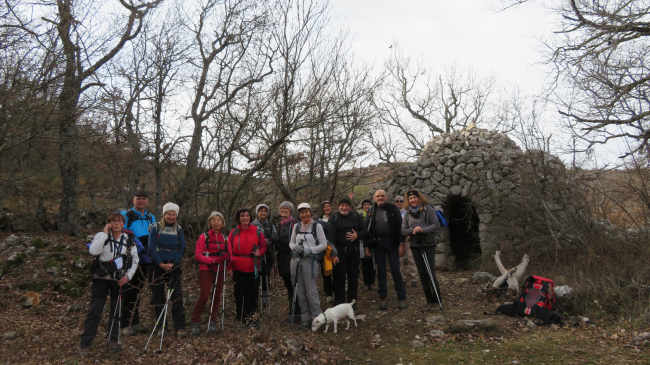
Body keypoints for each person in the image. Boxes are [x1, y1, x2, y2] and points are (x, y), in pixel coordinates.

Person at [79, 213, 139, 357]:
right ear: (109, 223)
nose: (116, 223)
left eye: (119, 221)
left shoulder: (129, 239)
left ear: (123, 224)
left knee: (116, 311)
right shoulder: (101, 236)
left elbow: (135, 260)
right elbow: (93, 251)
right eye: (113, 221)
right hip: (102, 279)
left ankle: (113, 341)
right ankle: (85, 343)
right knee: (95, 310)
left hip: (119, 280)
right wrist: (105, 234)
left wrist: (128, 276)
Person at [149, 202, 187, 338]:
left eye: (173, 214)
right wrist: (160, 264)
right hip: (157, 266)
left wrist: (174, 262)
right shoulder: (156, 228)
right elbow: (151, 248)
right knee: (158, 296)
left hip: (173, 266)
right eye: (169, 214)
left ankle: (180, 326)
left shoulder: (179, 229)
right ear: (164, 215)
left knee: (176, 296)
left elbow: (182, 247)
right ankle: (161, 326)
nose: (171, 217)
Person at [364, 190, 406, 310]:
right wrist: (366, 245)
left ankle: (401, 298)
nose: (380, 198)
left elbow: (400, 227)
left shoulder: (393, 209)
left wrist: (401, 244)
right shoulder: (371, 210)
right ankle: (383, 298)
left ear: (386, 197)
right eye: (378, 196)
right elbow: (367, 228)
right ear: (374, 198)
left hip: (392, 242)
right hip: (377, 244)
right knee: (381, 271)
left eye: (382, 196)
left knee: (395, 270)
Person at [401, 189, 442, 311]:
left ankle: (437, 300)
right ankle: (429, 300)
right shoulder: (407, 213)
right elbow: (403, 230)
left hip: (428, 244)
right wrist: (413, 230)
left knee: (430, 272)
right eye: (410, 198)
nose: (413, 200)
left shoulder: (427, 209)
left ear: (419, 198)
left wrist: (422, 229)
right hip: (415, 245)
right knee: (422, 273)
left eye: (415, 197)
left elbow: (436, 224)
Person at [120, 191, 154, 336]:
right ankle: (124, 325)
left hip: (145, 256)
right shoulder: (125, 215)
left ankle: (135, 322)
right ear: (133, 200)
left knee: (138, 289)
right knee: (128, 289)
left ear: (147, 201)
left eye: (143, 199)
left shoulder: (150, 217)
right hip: (130, 255)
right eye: (138, 199)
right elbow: (120, 230)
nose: (141, 201)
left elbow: (153, 234)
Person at [289, 203, 328, 330]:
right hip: (296, 260)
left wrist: (310, 250)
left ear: (310, 212)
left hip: (310, 261)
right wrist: (295, 247)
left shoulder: (317, 226)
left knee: (311, 291)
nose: (304, 215)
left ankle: (317, 318)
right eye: (301, 212)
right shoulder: (296, 226)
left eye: (306, 212)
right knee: (299, 291)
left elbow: (323, 244)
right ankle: (305, 319)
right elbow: (291, 243)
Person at [190, 211, 230, 335]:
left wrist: (227, 262)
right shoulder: (204, 236)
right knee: (204, 297)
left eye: (219, 220)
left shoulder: (225, 238)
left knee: (216, 297)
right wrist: (212, 260)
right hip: (206, 269)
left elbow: (229, 255)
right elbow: (198, 255)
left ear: (222, 223)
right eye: (214, 220)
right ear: (210, 222)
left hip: (220, 269)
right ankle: (194, 322)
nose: (216, 222)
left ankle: (212, 322)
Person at [327, 196, 368, 312]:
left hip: (354, 252)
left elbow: (365, 231)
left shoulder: (356, 216)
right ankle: (339, 306)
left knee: (353, 278)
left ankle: (352, 305)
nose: (344, 207)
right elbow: (330, 237)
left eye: (346, 205)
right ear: (339, 206)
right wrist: (334, 254)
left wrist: (357, 236)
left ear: (350, 207)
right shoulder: (333, 218)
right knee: (339, 279)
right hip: (339, 252)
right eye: (342, 205)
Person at [227, 208, 266, 328]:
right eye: (242, 216)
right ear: (238, 218)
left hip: (252, 266)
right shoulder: (233, 233)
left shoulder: (257, 231)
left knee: (252, 293)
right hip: (237, 266)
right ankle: (241, 317)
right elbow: (228, 251)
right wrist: (230, 267)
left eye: (247, 215)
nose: (245, 218)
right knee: (238, 293)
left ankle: (252, 318)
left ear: (250, 217)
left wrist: (260, 253)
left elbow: (263, 247)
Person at [276, 201, 301, 322]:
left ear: (291, 210)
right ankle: (292, 311)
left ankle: (296, 313)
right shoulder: (281, 224)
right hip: (282, 258)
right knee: (288, 285)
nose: (284, 210)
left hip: (292, 257)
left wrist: (279, 240)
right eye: (282, 208)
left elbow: (295, 243)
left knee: (293, 285)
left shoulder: (294, 223)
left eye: (287, 208)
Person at [251, 204, 278, 308]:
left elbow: (275, 237)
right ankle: (255, 299)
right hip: (256, 256)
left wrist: (269, 241)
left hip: (269, 255)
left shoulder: (270, 226)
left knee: (266, 276)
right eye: (261, 210)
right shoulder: (252, 224)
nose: (263, 213)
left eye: (265, 211)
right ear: (257, 212)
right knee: (256, 277)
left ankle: (265, 299)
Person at [395, 195, 419, 287]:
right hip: (397, 238)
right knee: (399, 259)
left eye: (401, 201)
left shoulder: (409, 212)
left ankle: (414, 279)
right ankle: (402, 278)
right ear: (395, 203)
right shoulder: (392, 213)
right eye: (397, 201)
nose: (399, 203)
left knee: (411, 258)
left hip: (408, 237)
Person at [319, 200, 335, 302]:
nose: (327, 208)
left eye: (328, 206)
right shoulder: (320, 220)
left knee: (337, 270)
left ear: (331, 207)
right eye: (325, 207)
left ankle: (338, 290)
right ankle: (329, 293)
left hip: (335, 248)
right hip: (324, 249)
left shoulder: (336, 217)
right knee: (326, 271)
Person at [360, 199, 376, 290]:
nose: (366, 206)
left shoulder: (373, 215)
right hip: (363, 242)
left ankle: (372, 282)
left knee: (373, 263)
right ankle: (366, 283)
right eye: (365, 204)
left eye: (368, 204)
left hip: (373, 242)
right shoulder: (360, 216)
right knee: (365, 263)